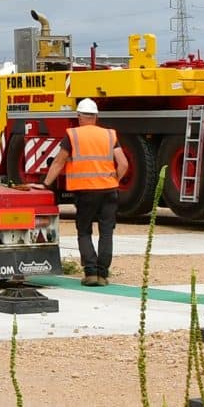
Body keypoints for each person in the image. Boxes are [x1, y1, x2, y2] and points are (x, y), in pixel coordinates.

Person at [45, 97, 129, 285]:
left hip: (85, 192)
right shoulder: (109, 135)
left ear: (79, 116)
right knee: (106, 232)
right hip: (109, 190)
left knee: (84, 231)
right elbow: (123, 163)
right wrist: (114, 179)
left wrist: (46, 184)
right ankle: (103, 274)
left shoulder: (73, 135)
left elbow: (59, 162)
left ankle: (90, 273)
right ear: (96, 117)